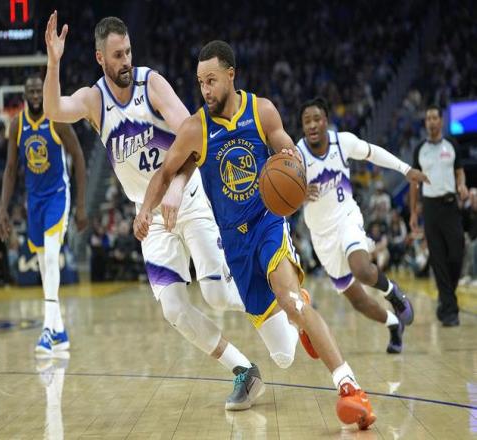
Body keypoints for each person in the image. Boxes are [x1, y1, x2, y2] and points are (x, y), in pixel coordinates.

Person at [43, 12, 305, 411]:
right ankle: (244, 370)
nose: (126, 61)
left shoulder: (151, 83)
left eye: (128, 51)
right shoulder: (94, 100)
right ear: (100, 59)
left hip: (189, 195)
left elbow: (196, 141)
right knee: (173, 309)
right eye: (117, 55)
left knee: (216, 293)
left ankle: (285, 300)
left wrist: (178, 187)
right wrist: (54, 62)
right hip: (149, 209)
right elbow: (53, 109)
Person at [135, 40, 377, 430]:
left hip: (268, 223)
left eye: (212, 80)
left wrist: (292, 165)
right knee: (283, 355)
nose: (206, 89)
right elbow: (165, 173)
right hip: (235, 243)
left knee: (290, 299)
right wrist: (146, 209)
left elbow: (288, 151)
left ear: (231, 75)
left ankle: (349, 387)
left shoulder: (261, 110)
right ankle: (299, 318)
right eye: (200, 82)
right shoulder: (196, 128)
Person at [296, 98, 428, 353]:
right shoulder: (296, 155)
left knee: (363, 270)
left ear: (326, 121)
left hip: (347, 217)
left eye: (316, 119)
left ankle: (393, 293)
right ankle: (393, 325)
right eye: (306, 121)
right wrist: (299, 195)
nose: (312, 125)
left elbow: (373, 152)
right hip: (322, 237)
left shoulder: (342, 142)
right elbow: (284, 200)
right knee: (358, 301)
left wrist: (405, 169)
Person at [0, 73, 88, 356]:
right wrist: (2, 206)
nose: (37, 95)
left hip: (58, 196)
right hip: (33, 200)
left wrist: (81, 204)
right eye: (32, 92)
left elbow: (79, 157)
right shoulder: (17, 124)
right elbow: (10, 169)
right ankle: (60, 331)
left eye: (40, 91)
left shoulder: (56, 119)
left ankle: (47, 330)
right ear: (25, 95)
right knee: (43, 264)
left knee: (50, 257)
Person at [409, 105, 468, 326]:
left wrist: (462, 185)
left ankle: (445, 301)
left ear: (441, 121)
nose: (432, 121)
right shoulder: (420, 150)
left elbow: (459, 172)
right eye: (428, 118)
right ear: (425, 123)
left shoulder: (451, 145)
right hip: (430, 208)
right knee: (438, 259)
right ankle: (450, 311)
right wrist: (413, 211)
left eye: (435, 118)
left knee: (457, 254)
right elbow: (414, 183)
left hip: (451, 206)